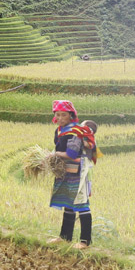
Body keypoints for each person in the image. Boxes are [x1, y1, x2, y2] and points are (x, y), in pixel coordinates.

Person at [48, 101, 93, 249]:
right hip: (65, 170)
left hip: (78, 170)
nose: (60, 117)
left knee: (81, 204)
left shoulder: (75, 131)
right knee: (68, 203)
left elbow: (71, 153)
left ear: (71, 115)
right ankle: (65, 237)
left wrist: (53, 155)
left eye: (64, 115)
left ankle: (85, 241)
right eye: (57, 114)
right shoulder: (59, 130)